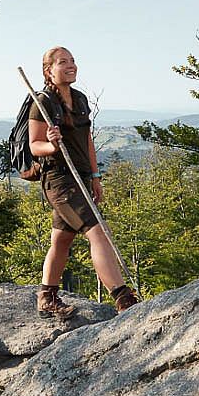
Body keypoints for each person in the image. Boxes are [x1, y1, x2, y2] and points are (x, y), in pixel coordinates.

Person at [27, 46, 140, 319]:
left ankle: (47, 297)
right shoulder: (41, 103)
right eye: (63, 62)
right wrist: (52, 145)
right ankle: (123, 298)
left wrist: (95, 176)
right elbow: (34, 146)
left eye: (73, 61)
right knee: (97, 231)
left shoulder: (79, 99)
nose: (71, 65)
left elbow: (87, 141)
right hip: (59, 180)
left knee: (62, 240)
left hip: (80, 178)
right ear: (48, 71)